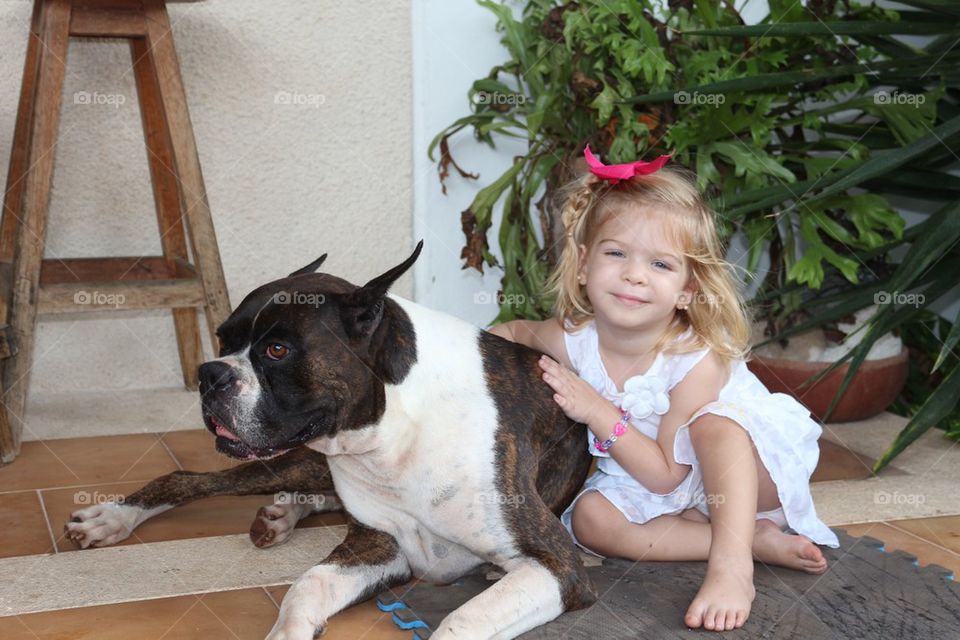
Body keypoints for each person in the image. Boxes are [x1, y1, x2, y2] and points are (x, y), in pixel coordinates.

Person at [489, 146, 839, 632]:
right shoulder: (573, 338)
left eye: (660, 264)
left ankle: (732, 566)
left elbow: (668, 476)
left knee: (715, 425)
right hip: (649, 475)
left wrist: (596, 409)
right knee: (590, 519)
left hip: (739, 475)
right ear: (585, 264)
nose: (634, 274)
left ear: (688, 289)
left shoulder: (697, 357)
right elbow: (506, 335)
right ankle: (750, 541)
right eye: (617, 254)